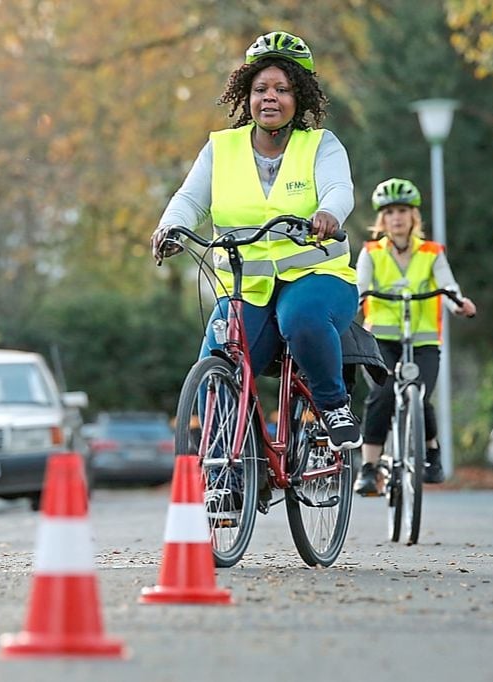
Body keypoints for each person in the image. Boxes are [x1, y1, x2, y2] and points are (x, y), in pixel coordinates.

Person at [150, 30, 362, 456]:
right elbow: (190, 198)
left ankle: (333, 405)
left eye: (282, 89)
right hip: (246, 289)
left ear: (298, 97)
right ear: (245, 95)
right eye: (260, 88)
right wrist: (170, 227)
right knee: (219, 356)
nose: (270, 98)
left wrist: (328, 215)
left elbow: (340, 189)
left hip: (316, 277)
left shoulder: (320, 145)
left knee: (301, 318)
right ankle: (228, 467)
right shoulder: (220, 149)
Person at [354, 178, 476, 495]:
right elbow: (359, 288)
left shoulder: (432, 253)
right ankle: (369, 468)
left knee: (419, 393)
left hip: (423, 340)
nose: (397, 217)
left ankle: (431, 453)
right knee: (384, 393)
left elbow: (448, 288)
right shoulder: (371, 254)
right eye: (391, 211)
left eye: (403, 211)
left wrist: (459, 304)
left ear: (413, 217)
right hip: (381, 339)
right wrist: (349, 305)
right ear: (383, 218)